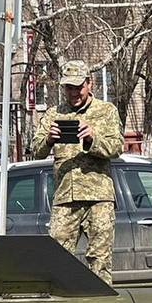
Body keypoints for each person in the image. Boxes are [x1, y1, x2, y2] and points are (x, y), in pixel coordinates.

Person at [31, 60, 124, 284]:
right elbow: (36, 151)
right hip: (65, 197)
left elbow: (117, 148)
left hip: (98, 197)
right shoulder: (54, 113)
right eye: (68, 88)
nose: (73, 93)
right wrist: (49, 139)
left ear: (89, 84)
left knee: (99, 261)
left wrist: (92, 137)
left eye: (78, 87)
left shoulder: (106, 111)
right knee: (57, 258)